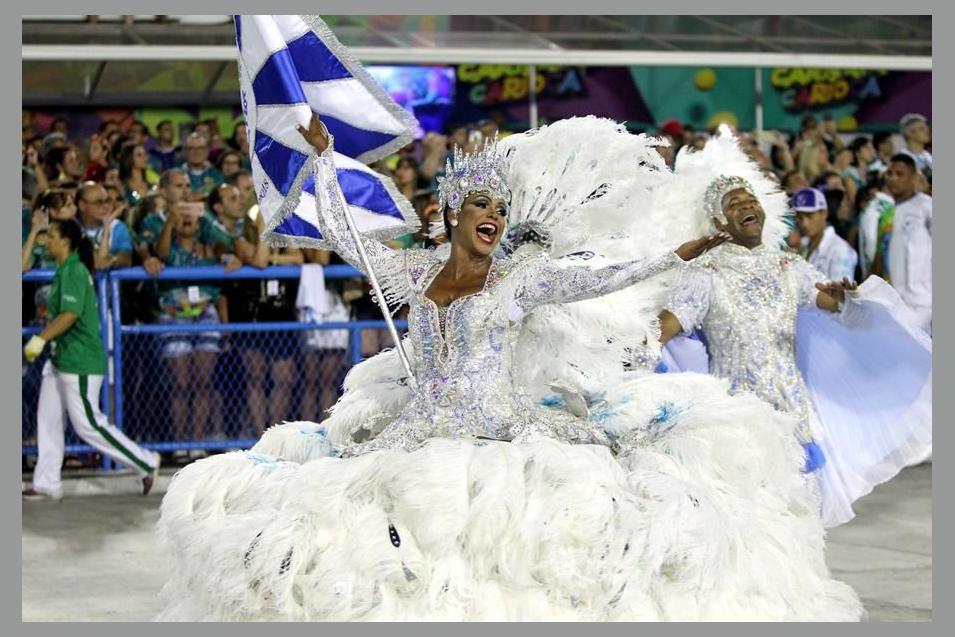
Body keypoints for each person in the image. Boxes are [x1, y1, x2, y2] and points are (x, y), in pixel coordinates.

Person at [156, 116, 862, 621]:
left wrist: (678, 253)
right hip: (421, 426)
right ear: (453, 213)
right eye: (480, 205)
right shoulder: (415, 272)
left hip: (498, 425)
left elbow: (601, 278)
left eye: (499, 207)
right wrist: (323, 160)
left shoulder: (517, 281)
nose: (492, 215)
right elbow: (347, 239)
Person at [658, 128, 931, 529]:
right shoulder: (705, 273)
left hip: (793, 416)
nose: (747, 206)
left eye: (751, 200)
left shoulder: (789, 267)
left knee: (798, 523)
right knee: (750, 524)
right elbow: (663, 329)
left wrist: (845, 297)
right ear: (718, 221)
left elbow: (835, 305)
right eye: (734, 203)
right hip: (738, 420)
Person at [22, 218, 160, 501]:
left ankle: (145, 461)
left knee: (89, 424)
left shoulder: (73, 270)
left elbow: (70, 314)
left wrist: (40, 338)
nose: (46, 241)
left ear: (65, 241)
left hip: (80, 361)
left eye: (51, 236)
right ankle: (46, 482)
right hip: (61, 359)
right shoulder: (66, 269)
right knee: (47, 420)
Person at [884, 153, 932, 333]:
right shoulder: (886, 213)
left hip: (922, 305)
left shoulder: (927, 207)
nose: (893, 179)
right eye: (889, 174)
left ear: (913, 177)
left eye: (899, 174)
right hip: (892, 304)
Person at [793, 187, 858, 282]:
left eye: (809, 216)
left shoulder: (840, 251)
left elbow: (839, 291)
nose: (804, 224)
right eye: (800, 217)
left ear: (824, 213)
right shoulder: (802, 245)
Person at [898, 113, 932, 180]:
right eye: (921, 128)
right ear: (909, 133)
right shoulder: (902, 158)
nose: (927, 131)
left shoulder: (928, 155)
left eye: (926, 128)